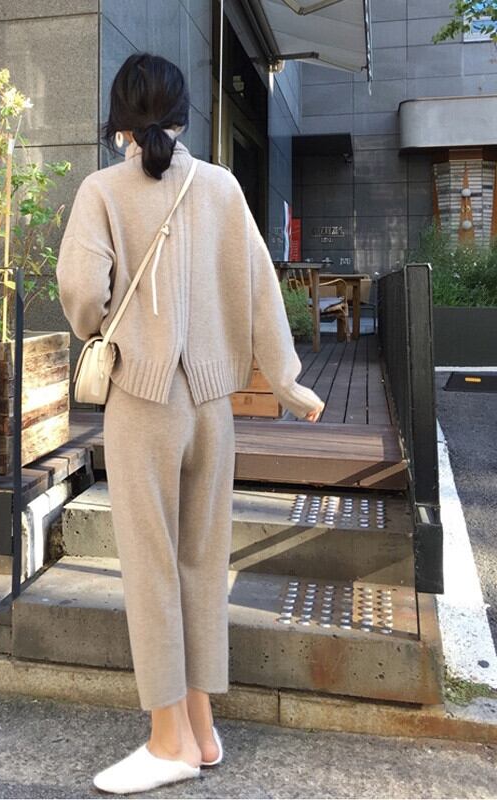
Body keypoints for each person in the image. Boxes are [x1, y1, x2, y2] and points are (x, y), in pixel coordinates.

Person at [56, 53, 324, 795]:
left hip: (144, 401)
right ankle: (202, 730)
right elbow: (262, 288)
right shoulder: (222, 186)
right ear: (181, 114)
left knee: (151, 567)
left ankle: (168, 739)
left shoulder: (102, 190)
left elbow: (81, 291)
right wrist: (289, 382)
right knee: (204, 562)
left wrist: (100, 326)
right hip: (212, 404)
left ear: (119, 118)